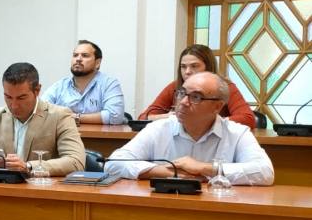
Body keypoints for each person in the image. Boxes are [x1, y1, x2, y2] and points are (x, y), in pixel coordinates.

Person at [106, 72, 274, 185]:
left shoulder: (237, 133)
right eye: (181, 93)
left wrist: (206, 168)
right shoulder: (159, 128)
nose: (183, 102)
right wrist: (168, 172)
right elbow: (114, 163)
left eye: (196, 97)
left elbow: (265, 172)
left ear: (217, 106)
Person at [0, 62, 86, 177]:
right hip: (1, 188)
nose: (14, 105)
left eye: (21, 98)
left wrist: (29, 167)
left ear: (37, 90)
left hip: (41, 190)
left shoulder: (60, 116)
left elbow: (76, 161)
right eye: (8, 97)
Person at [139, 44, 255, 128]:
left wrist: (205, 122)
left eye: (194, 66)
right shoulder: (175, 86)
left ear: (208, 67)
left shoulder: (225, 87)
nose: (187, 71)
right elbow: (143, 117)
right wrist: (169, 117)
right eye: (183, 67)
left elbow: (248, 119)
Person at [41, 40, 126, 124]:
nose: (78, 59)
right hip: (65, 133)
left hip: (97, 133)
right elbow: (41, 110)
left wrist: (74, 117)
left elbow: (115, 116)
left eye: (85, 55)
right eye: (75, 55)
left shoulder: (109, 84)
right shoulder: (60, 86)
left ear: (97, 63)